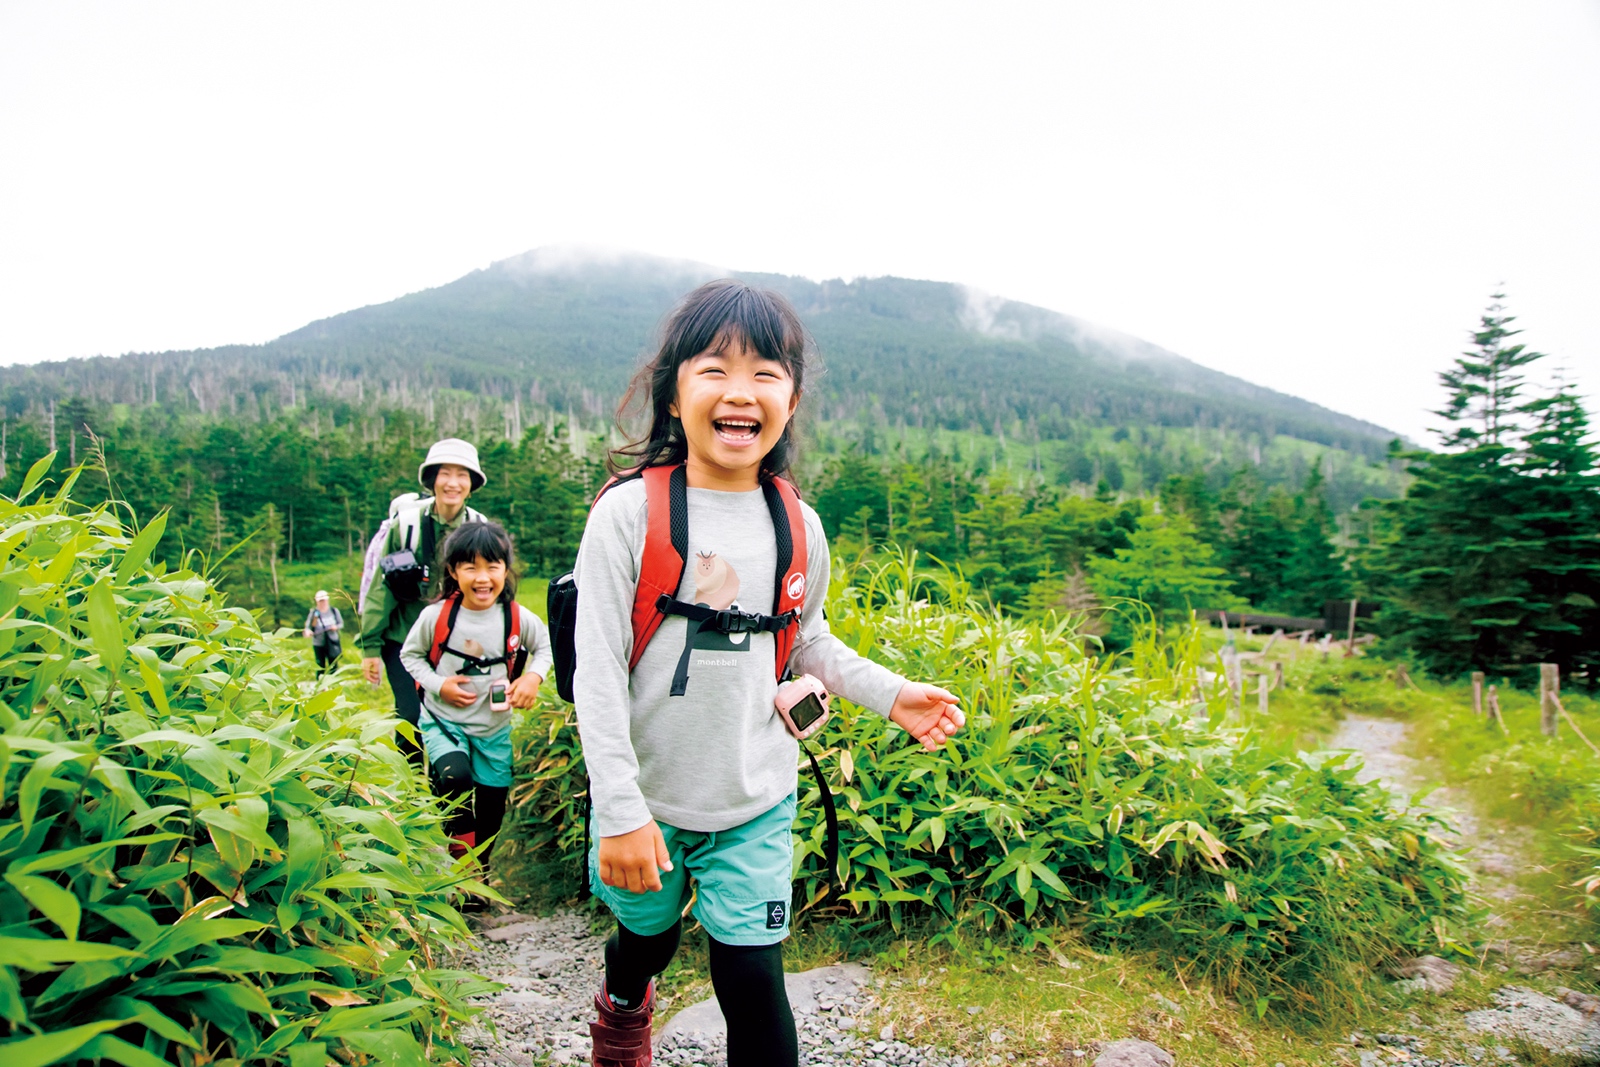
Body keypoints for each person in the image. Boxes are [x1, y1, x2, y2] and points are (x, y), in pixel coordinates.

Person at [573, 280, 965, 1067]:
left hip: (755, 795)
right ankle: (624, 1004)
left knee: (753, 976)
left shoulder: (797, 523)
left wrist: (893, 695)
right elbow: (597, 673)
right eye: (714, 368)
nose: (740, 391)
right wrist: (619, 809)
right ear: (674, 388)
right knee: (644, 941)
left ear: (790, 397)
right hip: (648, 798)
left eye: (766, 372)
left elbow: (806, 639)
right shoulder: (627, 513)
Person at [400, 521, 551, 863]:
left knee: (492, 806)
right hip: (444, 720)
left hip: (494, 728)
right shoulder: (436, 616)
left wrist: (532, 679)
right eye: (471, 568)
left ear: (506, 569)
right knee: (455, 779)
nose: (482, 578)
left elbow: (545, 647)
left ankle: (477, 869)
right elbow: (409, 656)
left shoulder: (516, 617)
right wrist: (440, 685)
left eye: (492, 567)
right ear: (453, 571)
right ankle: (460, 863)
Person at [359, 439, 488, 762]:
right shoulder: (407, 525)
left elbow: (492, 589)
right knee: (411, 716)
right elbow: (381, 588)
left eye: (462, 475)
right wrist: (370, 647)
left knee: (458, 715)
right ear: (432, 480)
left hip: (457, 641)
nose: (453, 483)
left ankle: (448, 787)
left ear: (471, 484)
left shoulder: (479, 528)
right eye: (445, 473)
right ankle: (412, 792)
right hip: (403, 639)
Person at [303, 590, 344, 677]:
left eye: (324, 600)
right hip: (319, 642)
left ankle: (333, 683)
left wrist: (335, 627)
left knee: (333, 664)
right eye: (320, 601)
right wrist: (308, 631)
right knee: (320, 665)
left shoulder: (333, 611)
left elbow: (340, 624)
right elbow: (308, 626)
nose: (322, 603)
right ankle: (320, 685)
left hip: (332, 642)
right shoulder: (314, 613)